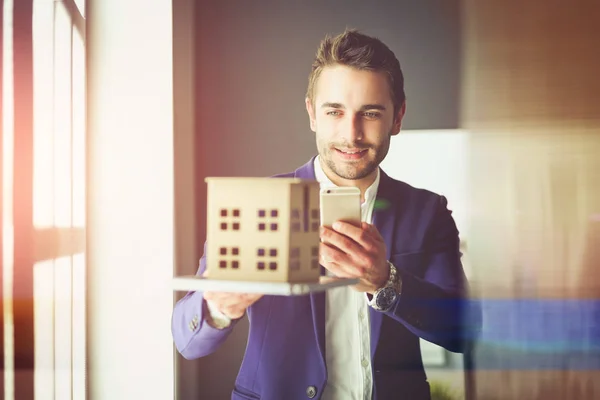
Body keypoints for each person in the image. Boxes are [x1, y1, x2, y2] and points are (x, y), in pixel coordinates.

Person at [172, 29, 481, 400]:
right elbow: (187, 342)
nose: (351, 134)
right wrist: (217, 307)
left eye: (370, 113)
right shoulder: (257, 203)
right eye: (334, 111)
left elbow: (465, 332)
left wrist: (387, 283)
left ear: (397, 118)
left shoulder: (427, 212)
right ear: (312, 114)